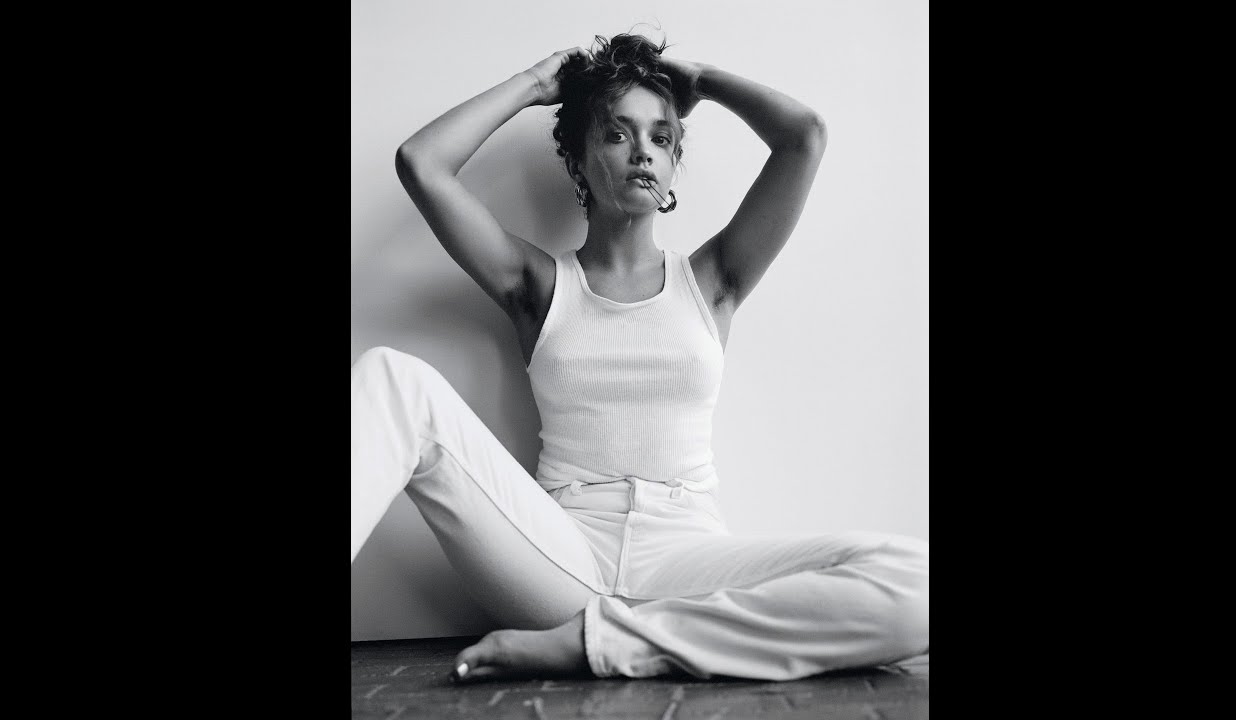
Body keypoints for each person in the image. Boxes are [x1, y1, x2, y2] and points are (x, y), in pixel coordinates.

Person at [352, 33, 928, 682]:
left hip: (685, 558)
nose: (642, 152)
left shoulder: (714, 279)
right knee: (392, 378)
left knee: (918, 585)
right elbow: (422, 162)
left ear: (675, 160)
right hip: (558, 556)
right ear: (579, 158)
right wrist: (538, 83)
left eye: (661, 137)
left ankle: (609, 644)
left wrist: (700, 80)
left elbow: (804, 136)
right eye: (617, 134)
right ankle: (628, 639)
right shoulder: (536, 284)